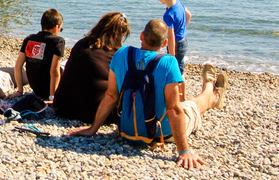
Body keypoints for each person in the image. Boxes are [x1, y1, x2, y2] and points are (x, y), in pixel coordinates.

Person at [69, 19, 229, 170]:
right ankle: (211, 91)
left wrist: (93, 129)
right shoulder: (168, 63)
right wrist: (184, 151)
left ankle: (211, 89)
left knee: (188, 104)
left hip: (126, 131)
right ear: (165, 43)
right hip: (160, 134)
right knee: (192, 105)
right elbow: (173, 109)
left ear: (141, 36)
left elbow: (111, 96)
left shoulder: (121, 54)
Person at [52, 11, 131, 124]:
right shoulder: (116, 54)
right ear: (119, 35)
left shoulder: (81, 44)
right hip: (93, 113)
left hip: (63, 107)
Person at [14, 9, 65, 101]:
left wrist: (20, 91)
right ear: (56, 27)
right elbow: (54, 71)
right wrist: (52, 96)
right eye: (60, 29)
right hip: (48, 90)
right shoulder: (58, 41)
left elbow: (18, 66)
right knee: (66, 66)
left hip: (36, 88)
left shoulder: (29, 39)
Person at [156, 0, 192, 98]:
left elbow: (170, 38)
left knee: (177, 72)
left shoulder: (168, 14)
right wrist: (182, 30)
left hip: (176, 45)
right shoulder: (179, 4)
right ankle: (182, 97)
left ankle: (181, 98)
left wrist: (171, 55)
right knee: (181, 69)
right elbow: (189, 15)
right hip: (184, 40)